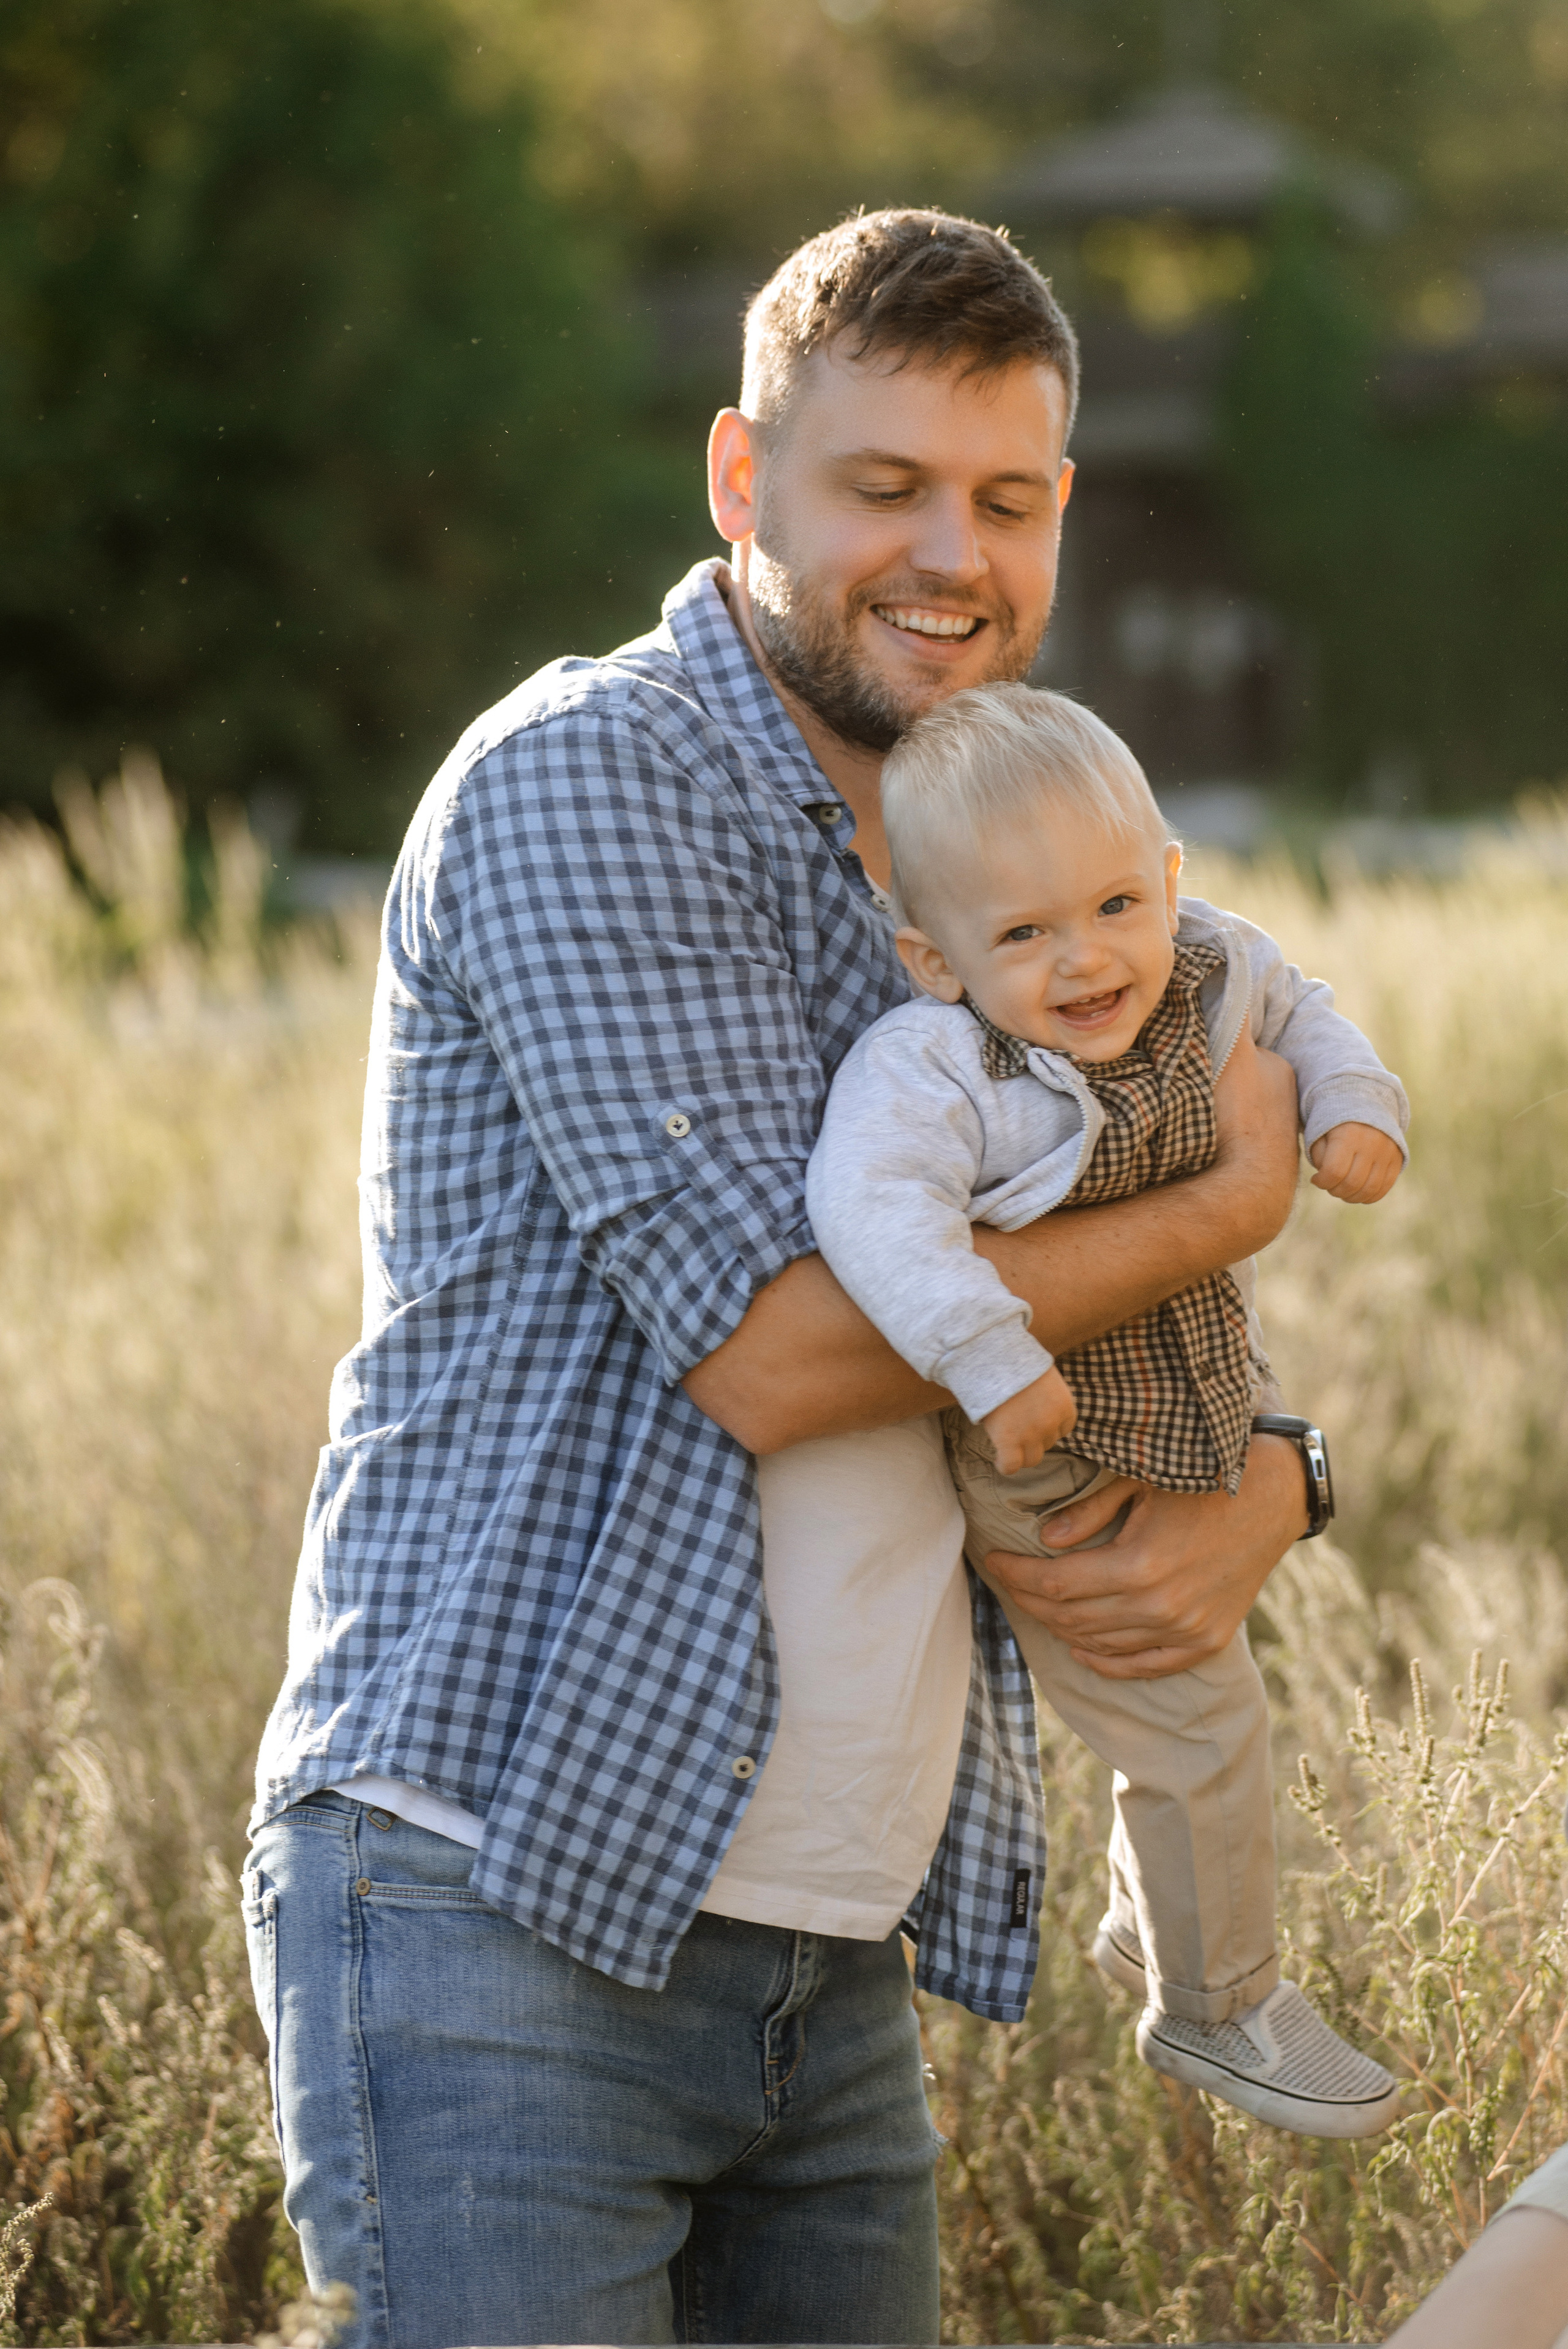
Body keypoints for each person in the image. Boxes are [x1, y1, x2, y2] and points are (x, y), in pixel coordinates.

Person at [243, 208, 1313, 2349]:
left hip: (826, 1959)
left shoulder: (1013, 845)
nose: (951, 554)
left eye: (1004, 500)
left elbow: (1103, 1286)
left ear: (1063, 517)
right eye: (882, 487)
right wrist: (1218, 1213)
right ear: (746, 487)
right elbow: (781, 1348)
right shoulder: (591, 782)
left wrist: (1276, 1467)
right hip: (504, 1899)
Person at [799, 680, 1406, 2138]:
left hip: (1199, 1402)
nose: (1085, 961)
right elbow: (870, 1218)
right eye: (1020, 936)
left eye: (1114, 905)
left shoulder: (1206, 963)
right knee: (1201, 1727)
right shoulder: (934, 1068)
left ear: (1172, 879)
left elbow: (1302, 1008)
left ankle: (1159, 1929)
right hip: (1051, 1445)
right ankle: (1217, 2009)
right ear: (929, 958)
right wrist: (994, 1363)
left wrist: (1351, 1106)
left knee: (1196, 1705)